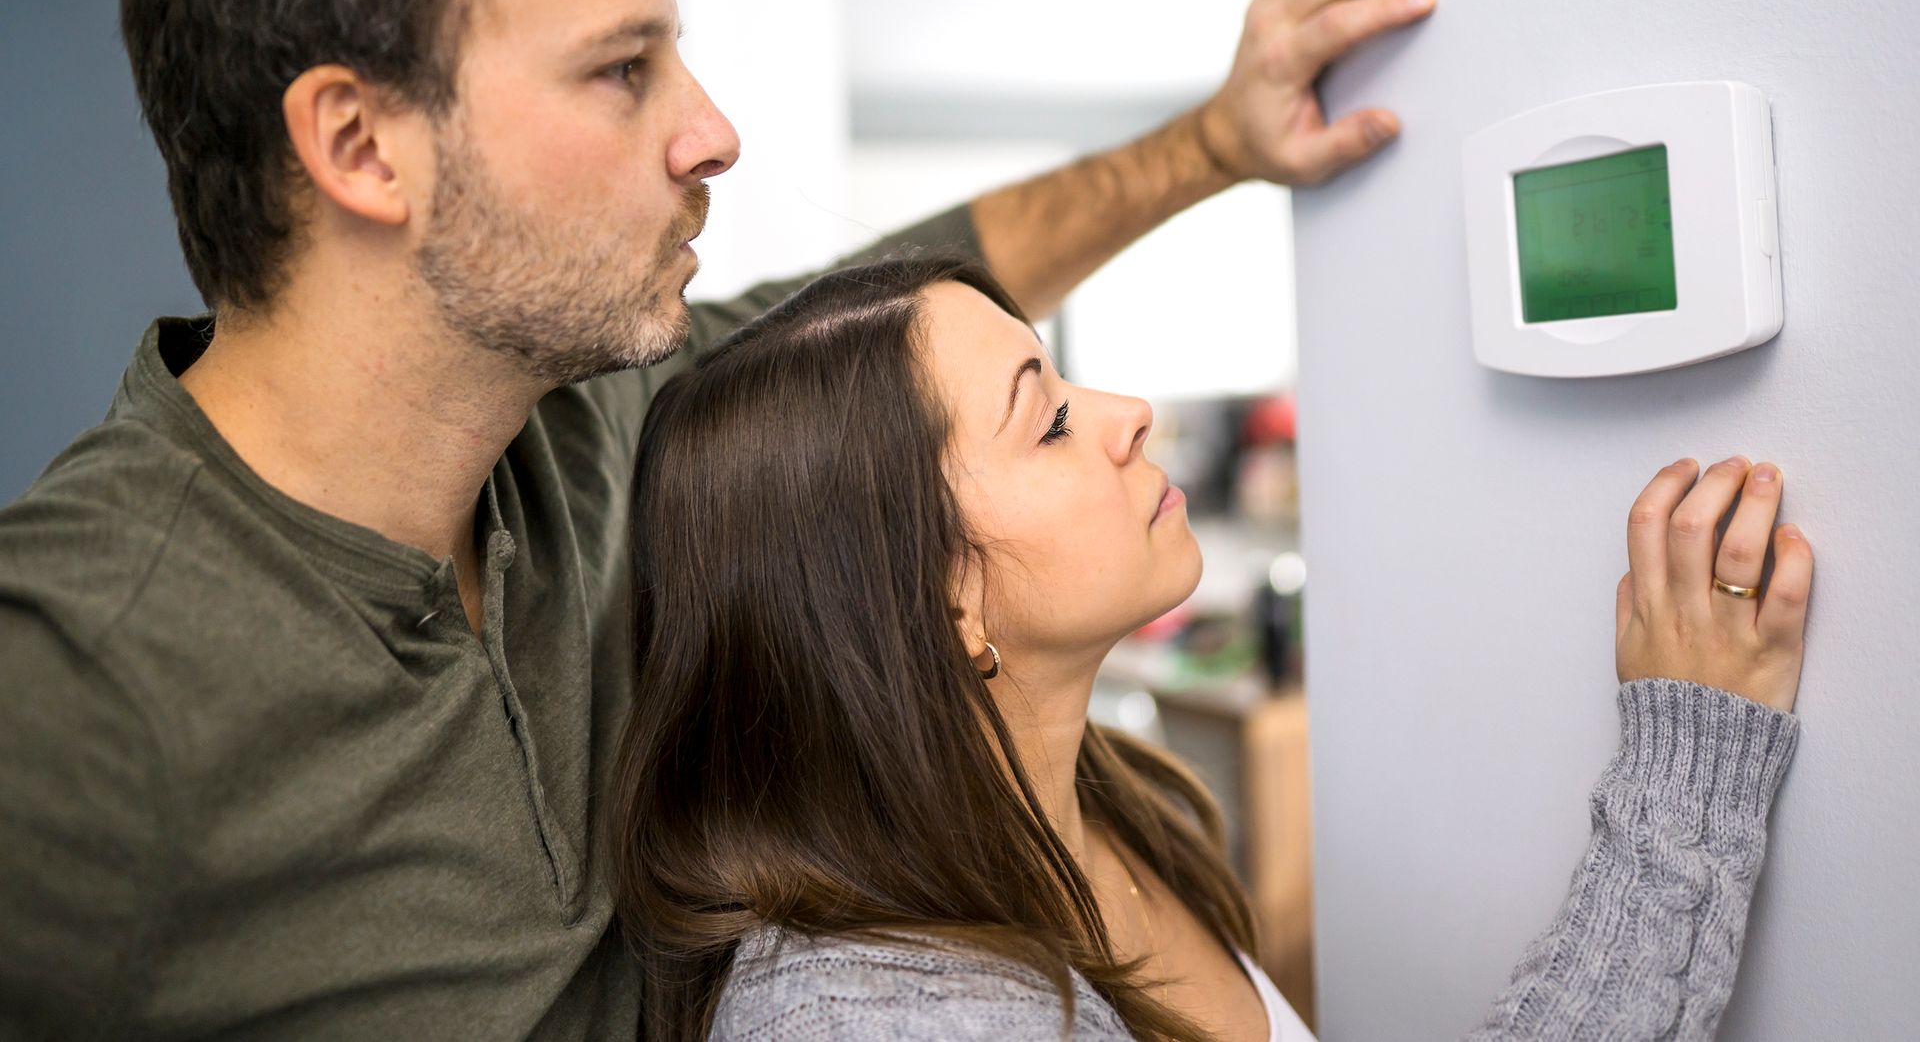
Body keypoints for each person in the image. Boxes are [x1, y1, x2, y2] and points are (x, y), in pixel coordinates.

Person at [0, 0, 1438, 1038]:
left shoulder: (599, 420)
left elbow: (913, 296)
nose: (713, 131)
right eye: (624, 70)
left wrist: (1214, 142)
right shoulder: (75, 671)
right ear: (363, 145)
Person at [612, 252, 1812, 1042]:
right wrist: (1684, 772)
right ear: (940, 598)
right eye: (1053, 418)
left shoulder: (1114, 810)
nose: (1129, 413)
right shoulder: (868, 1021)